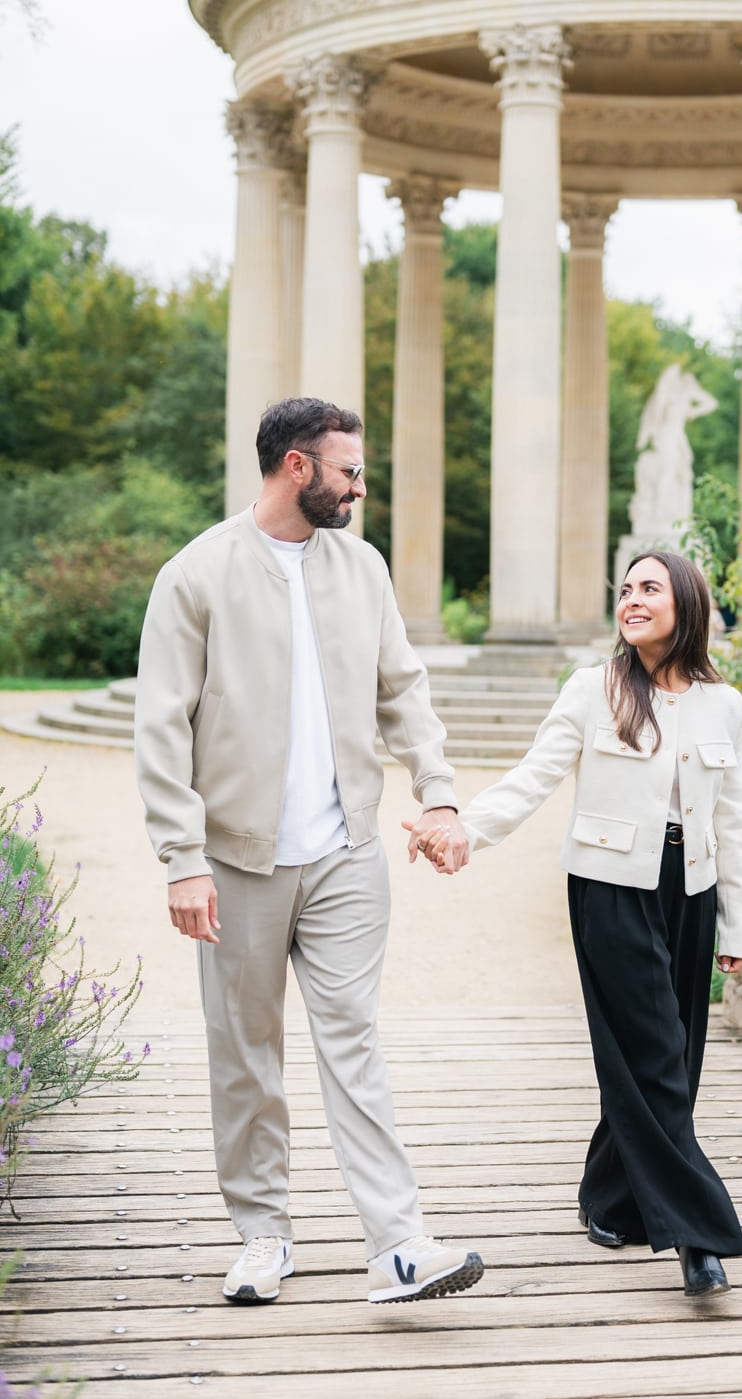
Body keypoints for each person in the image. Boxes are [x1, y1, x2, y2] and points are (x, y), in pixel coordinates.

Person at [134, 398, 483, 1307]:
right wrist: (182, 855)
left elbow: (402, 686)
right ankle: (262, 1235)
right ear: (297, 466)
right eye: (349, 470)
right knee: (244, 1049)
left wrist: (437, 789)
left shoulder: (361, 568)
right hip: (238, 863)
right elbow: (160, 726)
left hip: (346, 857)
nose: (360, 485)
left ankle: (398, 1244)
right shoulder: (196, 574)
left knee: (353, 1040)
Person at [412, 551, 742, 1298]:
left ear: (685, 602)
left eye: (648, 588)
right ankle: (698, 1234)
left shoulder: (723, 704)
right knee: (657, 1051)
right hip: (610, 888)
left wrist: (736, 926)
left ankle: (611, 1196)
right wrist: (466, 827)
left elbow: (733, 819)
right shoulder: (592, 689)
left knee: (672, 1059)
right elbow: (535, 774)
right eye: (625, 589)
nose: (630, 599)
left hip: (690, 888)